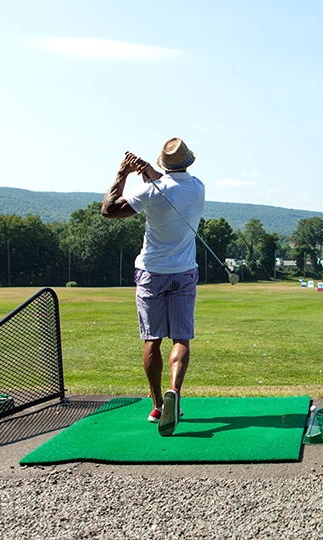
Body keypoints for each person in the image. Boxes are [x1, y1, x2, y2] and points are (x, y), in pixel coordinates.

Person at [100, 138, 205, 437]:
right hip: (184, 273)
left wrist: (122, 173)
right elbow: (169, 186)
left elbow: (109, 210)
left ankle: (158, 405)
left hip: (151, 273)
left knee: (152, 339)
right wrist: (147, 169)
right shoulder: (198, 187)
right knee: (181, 339)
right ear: (187, 162)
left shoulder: (149, 190)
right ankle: (175, 391)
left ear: (163, 163)